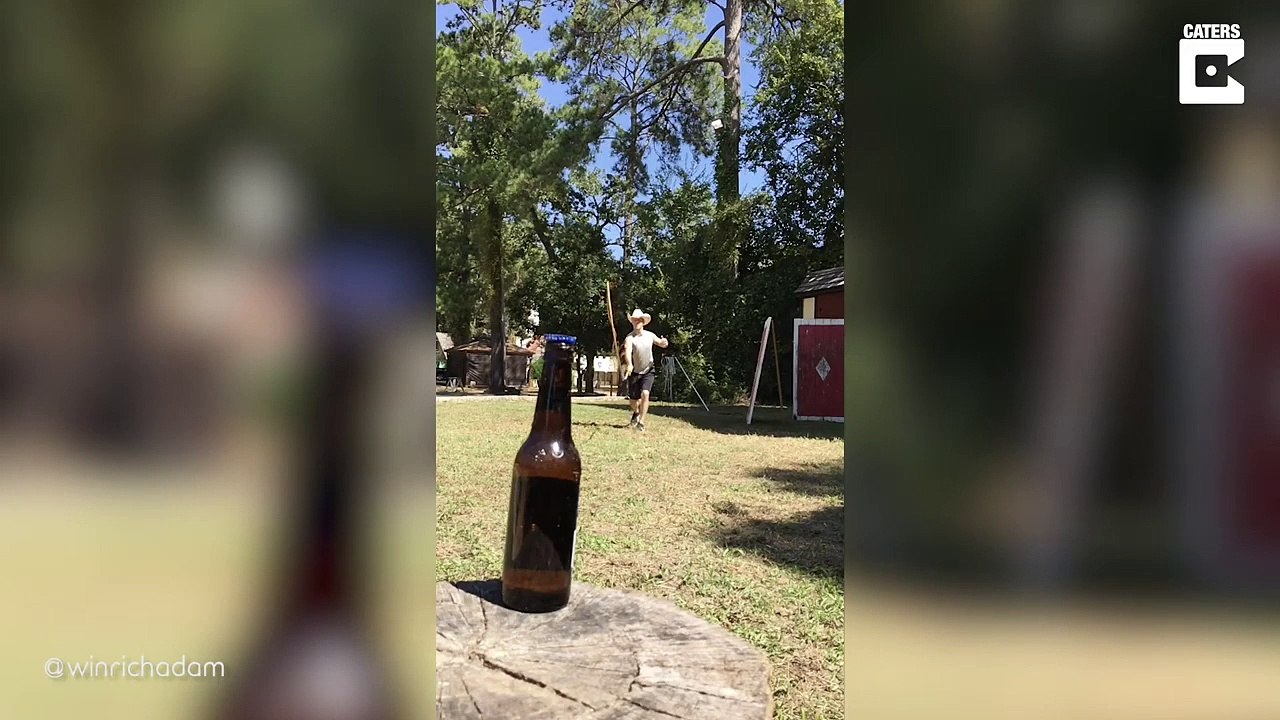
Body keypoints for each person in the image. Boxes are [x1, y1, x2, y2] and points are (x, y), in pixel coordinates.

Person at [621, 309, 668, 432]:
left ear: (643, 322)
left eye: (638, 320)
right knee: (633, 401)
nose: (636, 322)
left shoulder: (650, 335)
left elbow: (661, 343)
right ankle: (636, 412)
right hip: (635, 372)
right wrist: (630, 364)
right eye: (634, 320)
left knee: (645, 394)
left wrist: (664, 343)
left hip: (648, 370)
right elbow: (627, 352)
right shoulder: (630, 338)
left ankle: (641, 422)